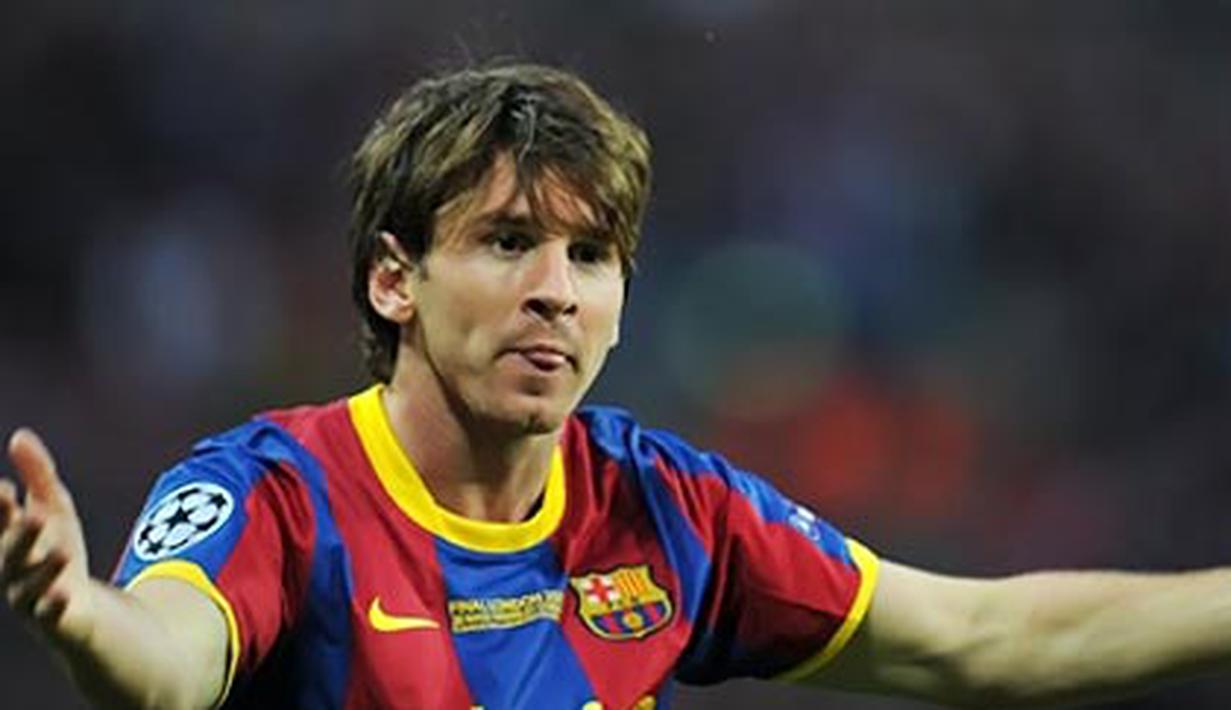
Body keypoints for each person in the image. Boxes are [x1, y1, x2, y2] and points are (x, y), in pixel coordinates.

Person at [1, 62, 1229, 710]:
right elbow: (167, 658)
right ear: (394, 280)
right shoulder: (276, 494)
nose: (556, 291)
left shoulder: (662, 508)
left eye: (590, 256)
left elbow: (983, 640)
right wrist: (81, 614)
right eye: (505, 242)